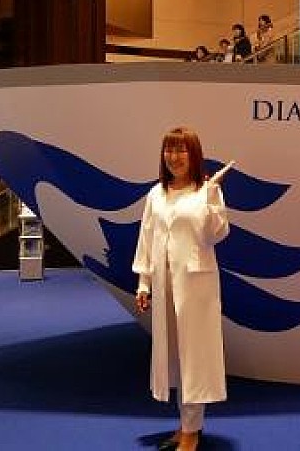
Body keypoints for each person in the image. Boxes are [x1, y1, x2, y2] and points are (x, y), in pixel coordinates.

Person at [132, 127, 233, 451]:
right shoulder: (155, 194)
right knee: (174, 356)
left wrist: (212, 199)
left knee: (194, 357)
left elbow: (217, 234)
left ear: (194, 154)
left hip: (196, 286)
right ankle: (186, 425)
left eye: (181, 150)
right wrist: (144, 284)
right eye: (169, 150)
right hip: (165, 285)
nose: (174, 157)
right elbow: (146, 240)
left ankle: (191, 432)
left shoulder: (206, 192)